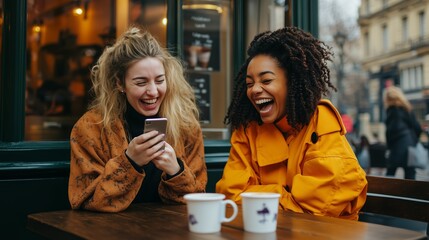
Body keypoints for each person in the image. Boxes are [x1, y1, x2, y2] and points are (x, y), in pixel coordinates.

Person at [216, 27, 367, 220]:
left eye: (266, 80)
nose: (254, 90)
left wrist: (261, 194)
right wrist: (288, 197)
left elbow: (317, 208)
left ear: (292, 81)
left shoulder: (321, 121)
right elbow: (230, 195)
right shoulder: (248, 130)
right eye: (249, 83)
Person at [68, 27, 207, 212]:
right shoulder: (90, 127)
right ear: (119, 83)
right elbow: (85, 201)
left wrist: (176, 170)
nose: (153, 91)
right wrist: (130, 161)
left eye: (159, 80)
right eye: (141, 82)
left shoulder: (186, 126)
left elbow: (200, 200)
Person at [383, 86, 421, 179]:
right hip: (409, 146)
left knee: (390, 175)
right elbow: (417, 128)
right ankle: (410, 193)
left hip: (395, 147)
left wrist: (389, 147)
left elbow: (389, 132)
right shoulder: (407, 109)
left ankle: (386, 193)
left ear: (387, 99)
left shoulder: (390, 111)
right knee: (410, 176)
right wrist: (414, 141)